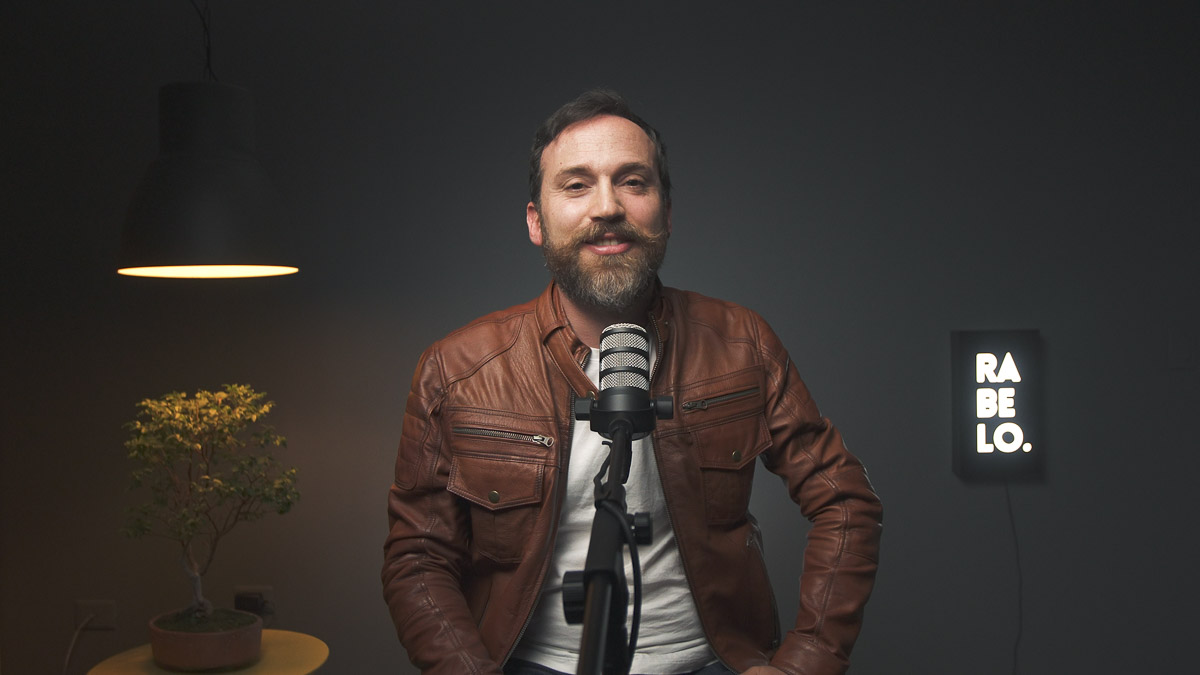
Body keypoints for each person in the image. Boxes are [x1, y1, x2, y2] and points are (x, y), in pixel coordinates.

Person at [383, 90, 882, 675]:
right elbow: (416, 558)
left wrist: (808, 662)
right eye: (576, 185)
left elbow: (845, 501)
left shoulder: (742, 341)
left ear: (667, 213)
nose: (606, 207)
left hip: (711, 663)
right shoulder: (458, 368)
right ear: (536, 222)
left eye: (633, 182)